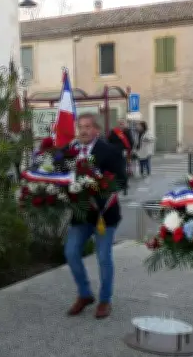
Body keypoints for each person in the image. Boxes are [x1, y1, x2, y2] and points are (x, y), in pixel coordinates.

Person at [63, 112, 127, 319]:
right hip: (81, 215)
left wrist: (99, 183)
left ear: (97, 130)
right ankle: (84, 294)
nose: (83, 130)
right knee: (71, 252)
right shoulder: (69, 151)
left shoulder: (110, 151)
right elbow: (59, 174)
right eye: (80, 126)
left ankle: (105, 300)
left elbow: (122, 181)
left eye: (88, 126)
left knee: (103, 257)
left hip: (104, 215)